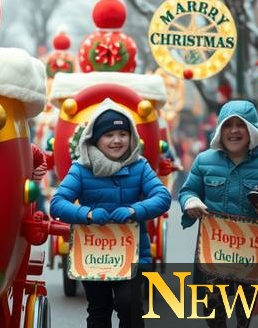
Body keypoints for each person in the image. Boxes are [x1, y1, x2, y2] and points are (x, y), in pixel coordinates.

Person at [49, 102, 172, 328]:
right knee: (99, 310)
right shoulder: (81, 168)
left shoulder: (140, 166)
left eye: (123, 134)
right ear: (95, 139)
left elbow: (162, 197)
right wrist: (87, 214)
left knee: (129, 305)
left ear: (131, 136)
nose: (117, 140)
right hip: (94, 254)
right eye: (109, 134)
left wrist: (135, 210)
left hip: (132, 254)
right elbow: (57, 204)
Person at [179, 100, 258, 328]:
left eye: (241, 125)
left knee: (248, 313)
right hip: (214, 252)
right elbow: (188, 191)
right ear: (220, 130)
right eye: (228, 125)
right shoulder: (204, 161)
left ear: (252, 130)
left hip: (254, 254)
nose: (234, 130)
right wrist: (191, 202)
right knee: (212, 310)